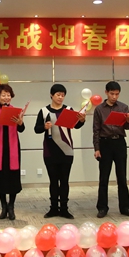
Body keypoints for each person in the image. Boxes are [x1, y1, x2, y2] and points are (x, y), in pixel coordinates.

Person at [34, 84, 85, 219]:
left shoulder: (68, 110)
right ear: (51, 95)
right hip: (50, 150)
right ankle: (53, 208)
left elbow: (76, 125)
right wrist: (44, 127)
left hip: (66, 150)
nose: (60, 97)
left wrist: (82, 120)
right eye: (58, 94)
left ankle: (64, 209)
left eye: (63, 95)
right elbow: (36, 129)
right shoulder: (44, 111)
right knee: (53, 180)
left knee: (64, 180)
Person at [93, 81, 129, 218]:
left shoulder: (123, 107)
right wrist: (97, 148)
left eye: (117, 94)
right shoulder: (99, 109)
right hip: (105, 143)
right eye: (112, 94)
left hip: (119, 142)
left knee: (122, 177)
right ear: (106, 92)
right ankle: (102, 208)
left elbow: (127, 127)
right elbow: (96, 130)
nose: (114, 97)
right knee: (104, 177)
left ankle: (125, 207)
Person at [0, 84, 25, 220]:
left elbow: (21, 129)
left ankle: (11, 206)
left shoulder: (16, 111)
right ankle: (3, 207)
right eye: (3, 95)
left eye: (8, 95)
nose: (6, 97)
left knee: (13, 178)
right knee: (0, 179)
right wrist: (1, 116)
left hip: (13, 149)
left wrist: (20, 122)